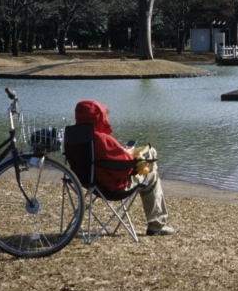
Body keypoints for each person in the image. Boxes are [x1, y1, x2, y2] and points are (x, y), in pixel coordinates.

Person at [74, 99, 175, 236]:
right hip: (113, 186)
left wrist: (121, 151)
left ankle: (149, 170)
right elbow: (125, 164)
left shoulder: (75, 137)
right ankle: (156, 225)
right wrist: (128, 152)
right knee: (152, 173)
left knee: (149, 161)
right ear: (98, 117)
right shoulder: (101, 139)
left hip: (89, 183)